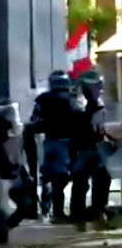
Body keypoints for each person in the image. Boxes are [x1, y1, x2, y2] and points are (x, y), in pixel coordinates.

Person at [25, 70, 77, 223]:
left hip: (47, 142)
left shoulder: (43, 99)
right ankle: (58, 213)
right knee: (60, 179)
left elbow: (34, 119)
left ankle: (45, 210)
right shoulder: (71, 99)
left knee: (47, 177)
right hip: (65, 143)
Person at [0, 100, 35, 248]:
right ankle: (0, 241)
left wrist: (29, 173)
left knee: (26, 206)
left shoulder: (22, 132)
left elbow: (26, 153)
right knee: (2, 209)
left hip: (17, 175)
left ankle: (6, 228)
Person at [70, 70, 111, 230]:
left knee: (94, 181)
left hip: (89, 147)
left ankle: (90, 215)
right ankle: (89, 216)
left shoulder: (82, 101)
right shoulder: (82, 102)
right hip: (86, 147)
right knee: (88, 181)